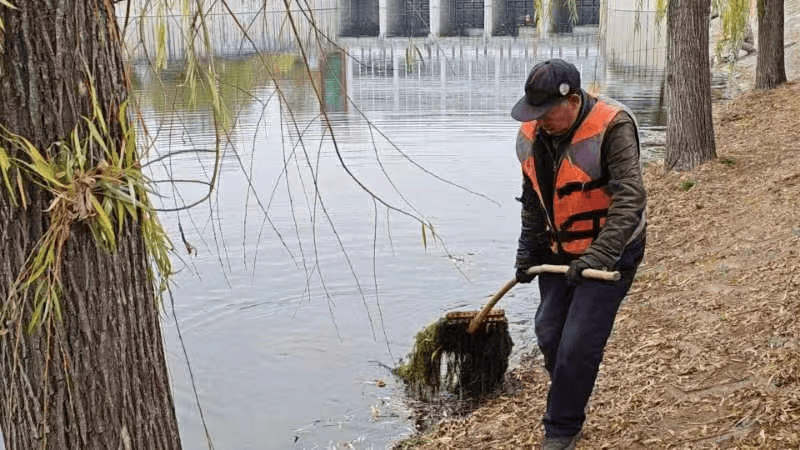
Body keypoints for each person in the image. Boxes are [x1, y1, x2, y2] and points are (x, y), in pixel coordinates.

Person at [510, 59, 647, 449]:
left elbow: (630, 199)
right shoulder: (529, 135)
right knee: (549, 333)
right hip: (558, 248)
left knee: (578, 344)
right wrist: (527, 249)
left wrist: (598, 257)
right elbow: (534, 201)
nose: (540, 121)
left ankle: (561, 429)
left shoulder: (612, 126)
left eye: (547, 112)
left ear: (572, 99)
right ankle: (571, 387)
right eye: (534, 112)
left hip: (612, 249)